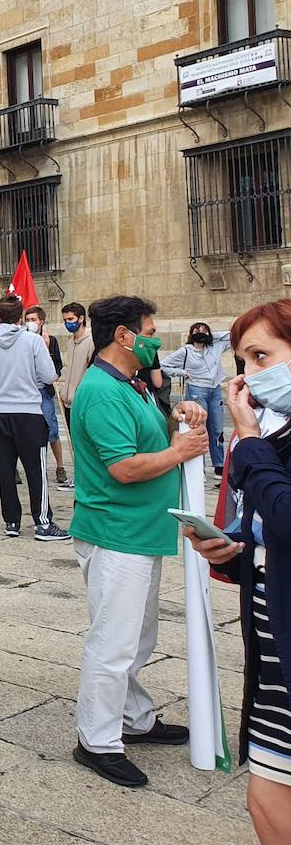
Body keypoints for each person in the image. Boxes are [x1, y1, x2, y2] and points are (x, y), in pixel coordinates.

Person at [67, 295, 208, 789]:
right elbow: (124, 467)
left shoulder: (132, 385)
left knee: (137, 637)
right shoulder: (103, 391)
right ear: (124, 335)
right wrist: (179, 450)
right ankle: (97, 739)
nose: (156, 340)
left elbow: (150, 437)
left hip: (141, 531)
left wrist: (180, 419)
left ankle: (135, 718)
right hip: (115, 532)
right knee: (114, 641)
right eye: (149, 330)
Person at [187, 300, 291, 842]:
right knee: (266, 801)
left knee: (271, 803)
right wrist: (235, 547)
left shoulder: (263, 442)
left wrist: (248, 442)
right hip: (273, 651)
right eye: (243, 360)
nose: (249, 375)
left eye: (262, 356)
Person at [0, 295, 71, 541]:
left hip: (1, 411)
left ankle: (12, 521)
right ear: (20, 317)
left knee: (6, 468)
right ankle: (43, 522)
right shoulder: (32, 341)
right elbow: (49, 374)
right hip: (28, 410)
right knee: (36, 469)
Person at [161, 321, 233, 474]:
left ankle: (219, 465)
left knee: (217, 428)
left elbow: (232, 337)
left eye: (204, 330)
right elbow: (163, 365)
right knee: (198, 427)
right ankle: (199, 467)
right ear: (191, 334)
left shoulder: (215, 347)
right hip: (196, 390)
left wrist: (212, 335)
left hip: (215, 390)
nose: (201, 332)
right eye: (197, 330)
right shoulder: (186, 351)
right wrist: (181, 373)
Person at [25, 305, 71, 490]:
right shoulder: (24, 341)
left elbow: (57, 365)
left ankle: (60, 466)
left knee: (52, 429)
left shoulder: (50, 341)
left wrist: (45, 347)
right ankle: (38, 467)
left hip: (45, 390)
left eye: (33, 320)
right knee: (33, 433)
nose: (30, 323)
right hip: (29, 391)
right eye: (27, 319)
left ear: (41, 322)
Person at [57, 302, 94, 437]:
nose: (67, 323)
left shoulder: (91, 341)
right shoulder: (70, 341)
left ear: (81, 318)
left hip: (81, 402)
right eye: (65, 320)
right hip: (68, 402)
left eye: (71, 319)